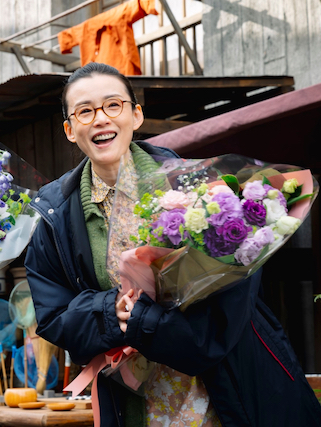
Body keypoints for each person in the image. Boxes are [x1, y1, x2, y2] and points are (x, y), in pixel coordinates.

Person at [24, 62, 321, 426]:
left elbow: (231, 305)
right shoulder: (55, 217)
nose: (100, 119)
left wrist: (143, 323)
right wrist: (108, 312)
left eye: (113, 105)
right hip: (129, 402)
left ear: (136, 115)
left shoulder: (199, 187)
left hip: (224, 387)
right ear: (70, 130)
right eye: (85, 111)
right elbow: (53, 318)